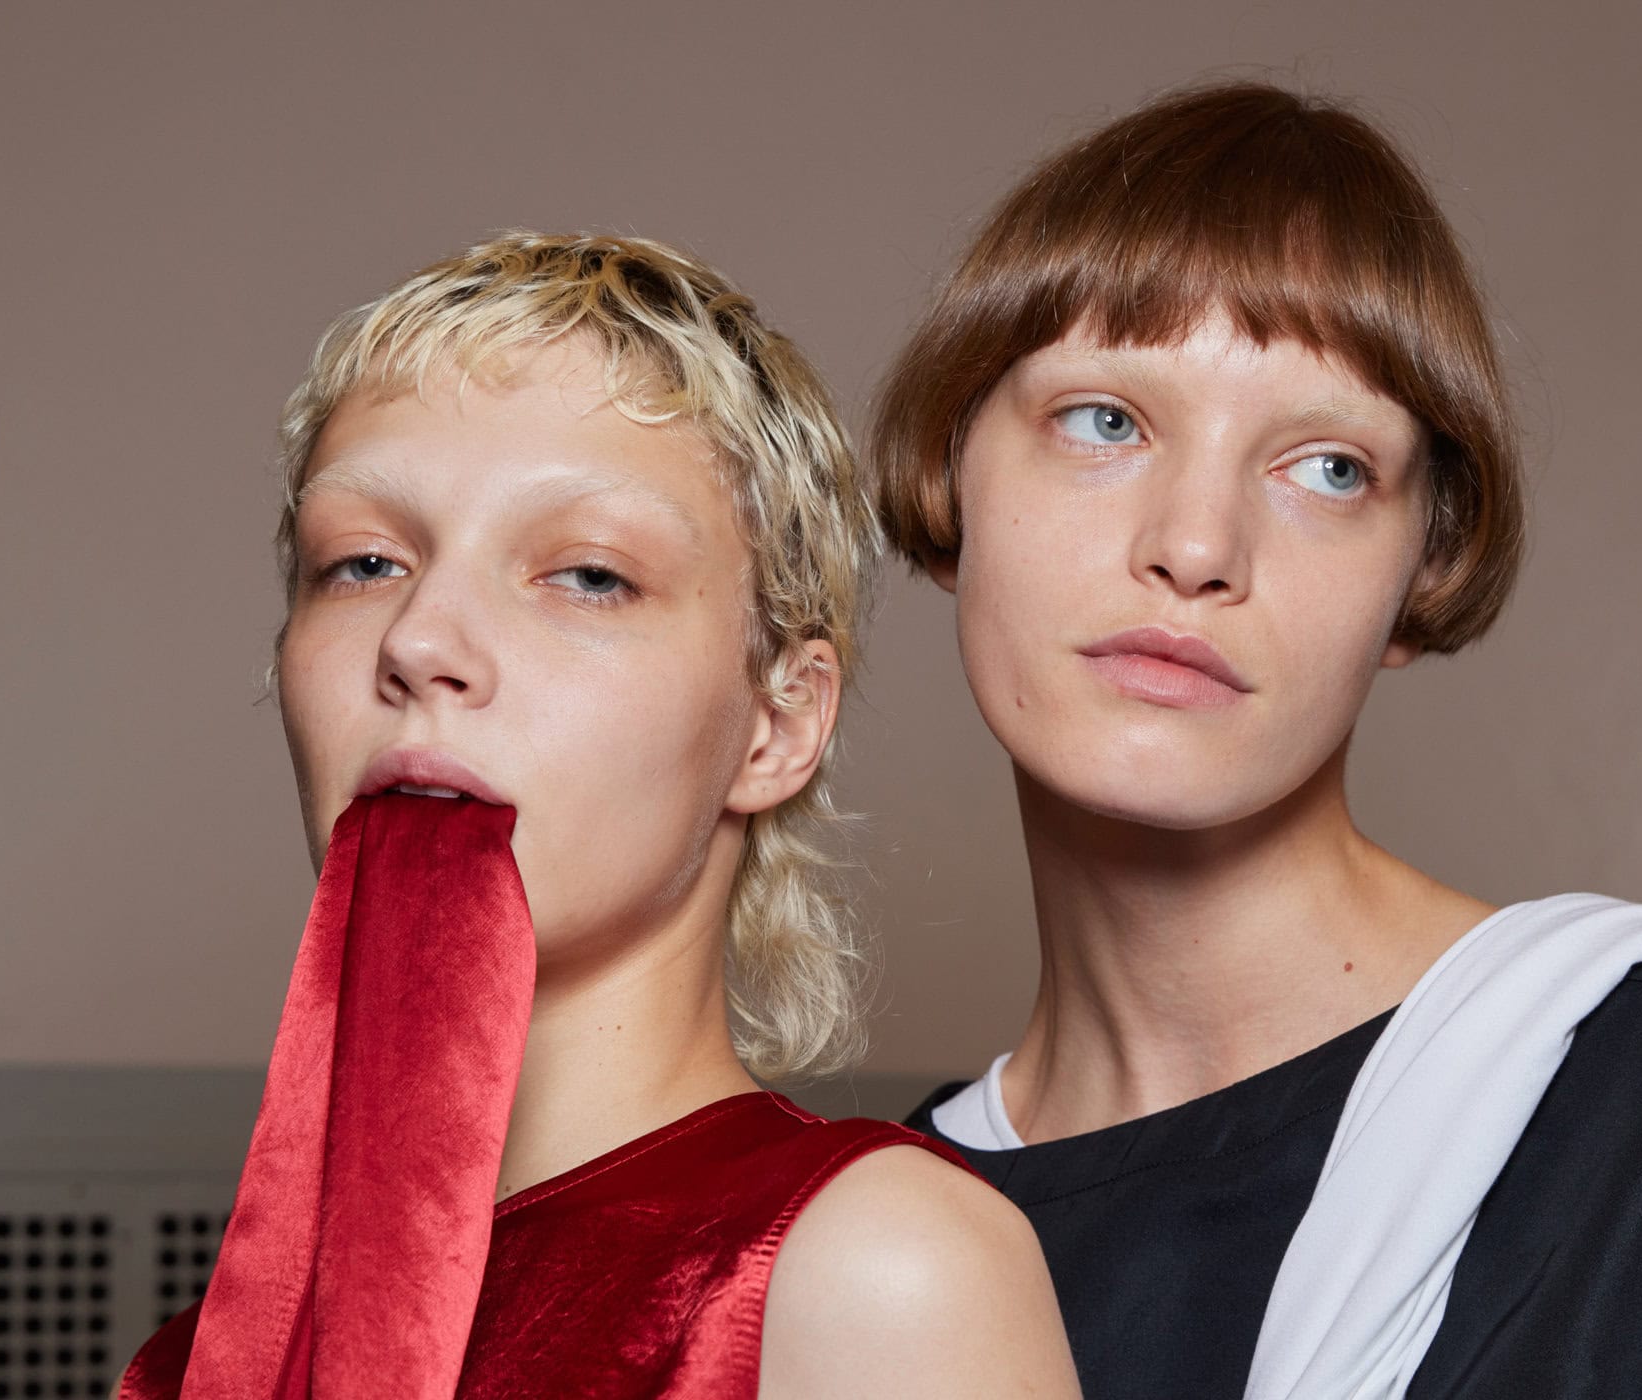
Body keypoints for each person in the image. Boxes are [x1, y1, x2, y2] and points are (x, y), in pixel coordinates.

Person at [871, 82, 1642, 1399]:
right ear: (950, 469)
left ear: (1422, 570)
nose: (1197, 546)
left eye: (1328, 467)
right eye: (1105, 420)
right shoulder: (856, 1249)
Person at [118, 233, 1080, 1399]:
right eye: (363, 562)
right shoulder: (186, 1364)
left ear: (778, 722)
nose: (418, 640)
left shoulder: (873, 1275)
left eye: (587, 574)